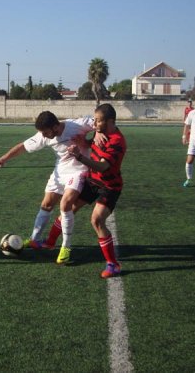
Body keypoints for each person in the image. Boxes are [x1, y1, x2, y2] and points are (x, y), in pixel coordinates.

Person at [0, 110, 100, 265]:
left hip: (78, 171)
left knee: (65, 205)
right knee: (46, 204)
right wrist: (3, 158)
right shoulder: (44, 135)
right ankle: (35, 239)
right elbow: (23, 146)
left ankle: (66, 248)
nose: (43, 136)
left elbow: (100, 123)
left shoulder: (77, 125)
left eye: (46, 132)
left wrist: (90, 140)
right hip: (60, 171)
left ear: (55, 126)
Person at [42, 103, 126, 278]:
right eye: (94, 120)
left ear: (111, 121)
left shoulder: (117, 141)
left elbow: (102, 166)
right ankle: (50, 242)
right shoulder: (100, 131)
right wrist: (84, 142)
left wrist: (79, 156)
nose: (94, 124)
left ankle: (113, 265)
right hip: (92, 181)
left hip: (109, 187)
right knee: (69, 208)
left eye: (98, 120)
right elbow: (92, 144)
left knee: (96, 220)